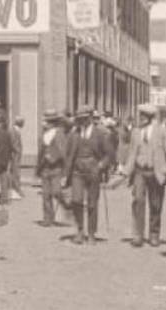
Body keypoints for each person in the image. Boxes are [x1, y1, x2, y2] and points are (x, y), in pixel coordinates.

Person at [63, 105, 115, 245]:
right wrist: (65, 174)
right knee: (76, 200)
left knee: (92, 203)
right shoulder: (74, 134)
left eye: (84, 119)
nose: (81, 122)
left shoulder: (101, 134)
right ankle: (79, 230)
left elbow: (109, 155)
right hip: (77, 171)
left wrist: (100, 166)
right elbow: (68, 155)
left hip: (93, 171)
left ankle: (91, 233)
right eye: (79, 119)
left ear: (90, 118)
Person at [122, 102, 166, 248]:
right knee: (138, 201)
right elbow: (131, 153)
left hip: (155, 172)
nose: (141, 118)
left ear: (150, 117)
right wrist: (126, 171)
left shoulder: (161, 130)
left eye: (144, 116)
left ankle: (154, 234)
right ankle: (138, 235)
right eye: (140, 115)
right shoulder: (136, 132)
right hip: (140, 171)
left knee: (156, 204)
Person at [36, 110, 68, 227]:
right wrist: (38, 169)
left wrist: (65, 170)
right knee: (45, 194)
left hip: (56, 167)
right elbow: (41, 152)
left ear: (52, 122)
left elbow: (64, 152)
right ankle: (48, 218)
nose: (45, 123)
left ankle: (66, 204)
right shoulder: (44, 134)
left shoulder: (59, 133)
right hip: (45, 167)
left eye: (47, 121)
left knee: (56, 191)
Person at [7, 117, 25, 200]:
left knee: (16, 172)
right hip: (14, 155)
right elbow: (13, 143)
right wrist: (17, 151)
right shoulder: (13, 131)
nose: (24, 124)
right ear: (20, 123)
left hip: (16, 155)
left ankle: (16, 189)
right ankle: (16, 189)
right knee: (15, 172)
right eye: (23, 122)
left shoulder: (17, 130)